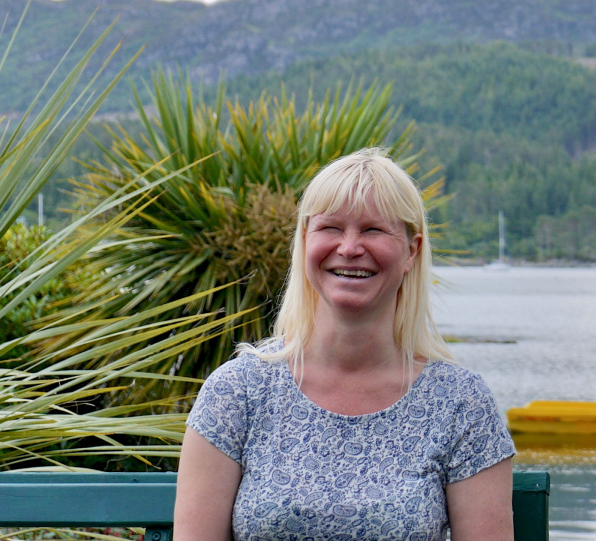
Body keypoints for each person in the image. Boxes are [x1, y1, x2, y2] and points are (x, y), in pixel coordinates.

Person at [175, 148, 516, 541]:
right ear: (305, 240)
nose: (350, 247)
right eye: (331, 228)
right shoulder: (238, 392)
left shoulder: (460, 403)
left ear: (412, 250)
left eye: (373, 229)